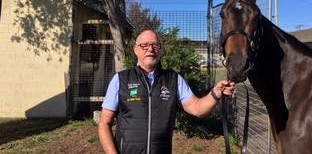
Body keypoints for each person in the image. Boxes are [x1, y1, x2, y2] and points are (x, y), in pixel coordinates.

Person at [98, 30, 235, 154]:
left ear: (160, 50)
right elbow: (104, 123)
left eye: (155, 45)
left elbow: (197, 109)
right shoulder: (121, 80)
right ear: (135, 50)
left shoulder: (173, 79)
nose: (150, 49)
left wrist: (215, 93)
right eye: (144, 45)